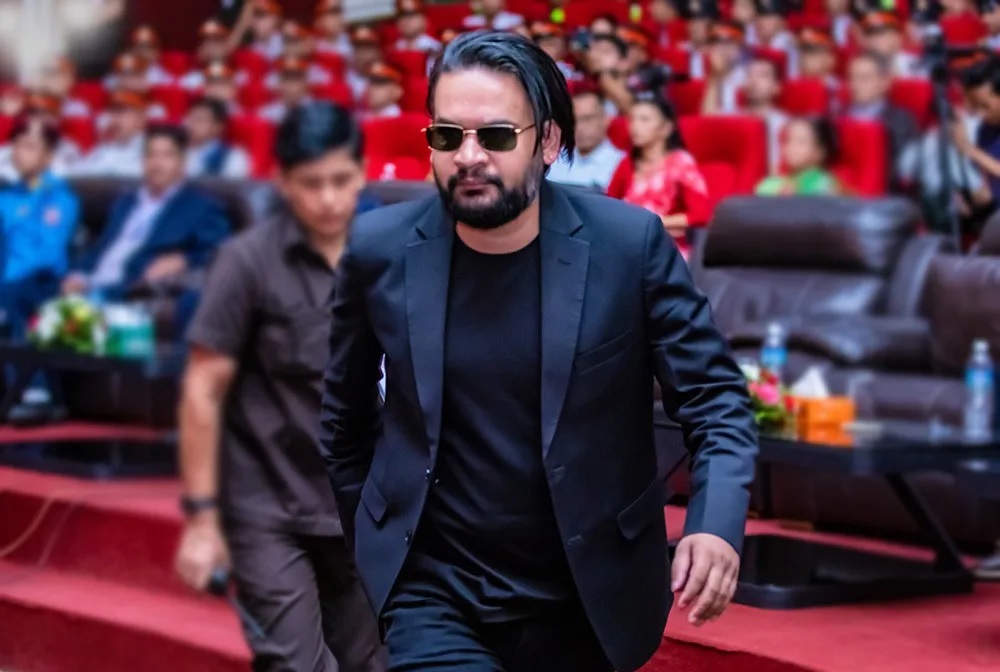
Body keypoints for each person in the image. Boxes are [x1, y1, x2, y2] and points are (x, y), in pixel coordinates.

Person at [319, 31, 757, 672]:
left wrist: (714, 522)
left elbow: (716, 400)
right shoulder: (376, 250)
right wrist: (375, 540)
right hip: (433, 594)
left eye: (496, 136)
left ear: (548, 142)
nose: (469, 156)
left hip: (589, 595)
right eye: (448, 136)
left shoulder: (628, 246)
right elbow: (343, 419)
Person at [175, 101, 385, 672]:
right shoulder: (247, 262)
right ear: (283, 181)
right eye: (311, 183)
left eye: (341, 180)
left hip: (364, 509)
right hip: (268, 505)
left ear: (363, 174)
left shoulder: (392, 255)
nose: (328, 198)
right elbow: (202, 388)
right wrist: (201, 517)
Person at [61, 125, 230, 301]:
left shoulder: (200, 207)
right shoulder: (125, 202)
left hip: (130, 291)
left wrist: (184, 259)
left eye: (167, 155)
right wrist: (77, 275)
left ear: (182, 162)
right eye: (151, 155)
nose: (157, 164)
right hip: (90, 285)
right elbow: (102, 246)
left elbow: (220, 251)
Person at [0, 118, 79, 337]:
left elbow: (47, 256)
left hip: (36, 285)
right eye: (16, 144)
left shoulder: (57, 198)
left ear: (49, 156)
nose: (19, 152)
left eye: (29, 146)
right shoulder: (6, 196)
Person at [608, 91, 711, 259]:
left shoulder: (680, 163)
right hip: (628, 244)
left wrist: (655, 223)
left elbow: (701, 215)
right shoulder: (626, 163)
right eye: (633, 119)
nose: (635, 126)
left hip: (667, 248)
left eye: (644, 120)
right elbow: (609, 205)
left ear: (666, 128)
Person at [845, 51, 920, 192]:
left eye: (864, 78)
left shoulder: (900, 120)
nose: (855, 85)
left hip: (882, 195)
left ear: (885, 82)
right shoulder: (838, 116)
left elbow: (900, 169)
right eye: (851, 78)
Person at [546, 84, 624, 190]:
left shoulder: (619, 164)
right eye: (574, 120)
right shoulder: (554, 159)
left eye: (587, 119)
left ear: (606, 119)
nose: (579, 127)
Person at [70, 90, 148, 178]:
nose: (115, 119)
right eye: (112, 112)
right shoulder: (104, 148)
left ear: (141, 118)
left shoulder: (150, 147)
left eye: (121, 112)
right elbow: (79, 173)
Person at [756, 116, 842, 195]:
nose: (791, 147)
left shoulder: (828, 187)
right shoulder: (775, 184)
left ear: (821, 151)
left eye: (801, 142)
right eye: (788, 140)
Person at [183, 97, 252, 179]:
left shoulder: (232, 156)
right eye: (190, 118)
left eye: (199, 120)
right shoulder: (177, 151)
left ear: (218, 127)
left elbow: (233, 186)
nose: (191, 124)